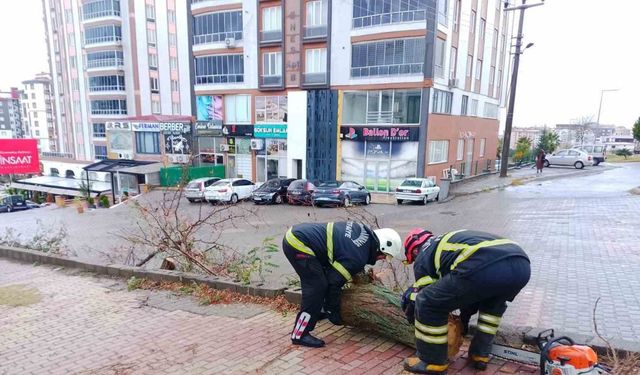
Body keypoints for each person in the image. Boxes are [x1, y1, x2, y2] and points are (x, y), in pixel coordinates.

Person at [401, 228, 531, 374]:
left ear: (413, 251)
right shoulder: (446, 242)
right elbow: (469, 295)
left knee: (427, 302)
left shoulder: (423, 256)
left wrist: (414, 315)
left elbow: (427, 297)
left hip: (486, 263)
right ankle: (480, 354)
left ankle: (431, 361)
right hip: (521, 265)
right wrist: (464, 321)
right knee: (492, 306)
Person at [283, 221, 403, 348]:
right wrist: (333, 311)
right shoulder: (357, 258)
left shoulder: (361, 230)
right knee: (316, 287)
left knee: (320, 281)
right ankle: (300, 334)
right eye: (384, 256)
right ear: (380, 248)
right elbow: (333, 283)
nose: (383, 259)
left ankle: (315, 312)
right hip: (299, 243)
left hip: (299, 235)